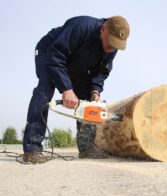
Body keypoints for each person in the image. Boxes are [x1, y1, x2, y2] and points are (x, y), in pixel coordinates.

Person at [22, 15, 130, 164]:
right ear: (104, 28)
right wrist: (66, 88)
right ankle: (32, 148)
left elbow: (101, 72)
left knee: (87, 100)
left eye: (116, 46)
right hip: (49, 51)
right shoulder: (81, 26)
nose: (111, 49)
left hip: (75, 60)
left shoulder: (113, 46)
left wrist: (95, 91)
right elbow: (56, 55)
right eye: (110, 43)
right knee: (45, 89)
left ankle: (87, 148)